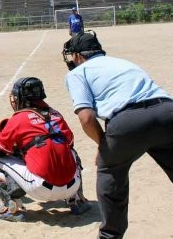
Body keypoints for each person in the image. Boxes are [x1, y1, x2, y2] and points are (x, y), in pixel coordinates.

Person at [63, 31, 173, 238]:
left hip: (127, 121)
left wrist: (102, 144)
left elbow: (86, 118)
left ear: (78, 56)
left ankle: (110, 235)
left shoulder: (78, 73)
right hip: (167, 111)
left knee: (110, 171)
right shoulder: (123, 63)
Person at [0, 77, 90, 222]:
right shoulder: (56, 114)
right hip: (72, 185)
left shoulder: (19, 118)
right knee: (72, 153)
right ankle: (77, 200)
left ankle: (12, 208)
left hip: (39, 189)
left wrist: (20, 152)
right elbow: (70, 143)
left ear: (21, 98)